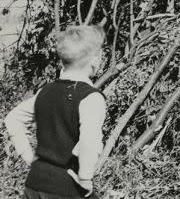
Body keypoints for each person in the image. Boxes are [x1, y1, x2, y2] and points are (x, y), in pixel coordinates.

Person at [5, 25, 107, 198]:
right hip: (65, 187)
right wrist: (85, 179)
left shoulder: (45, 91)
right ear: (95, 59)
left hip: (35, 183)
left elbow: (13, 119)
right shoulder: (91, 98)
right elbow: (89, 142)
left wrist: (29, 157)